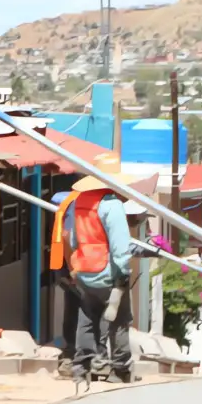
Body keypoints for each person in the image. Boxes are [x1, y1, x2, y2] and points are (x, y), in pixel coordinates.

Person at [48, 154, 145, 389]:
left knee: (87, 319)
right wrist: (123, 275)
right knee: (119, 321)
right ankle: (120, 370)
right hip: (108, 273)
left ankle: (82, 369)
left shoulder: (80, 201)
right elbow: (120, 246)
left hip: (85, 271)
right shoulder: (111, 206)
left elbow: (73, 238)